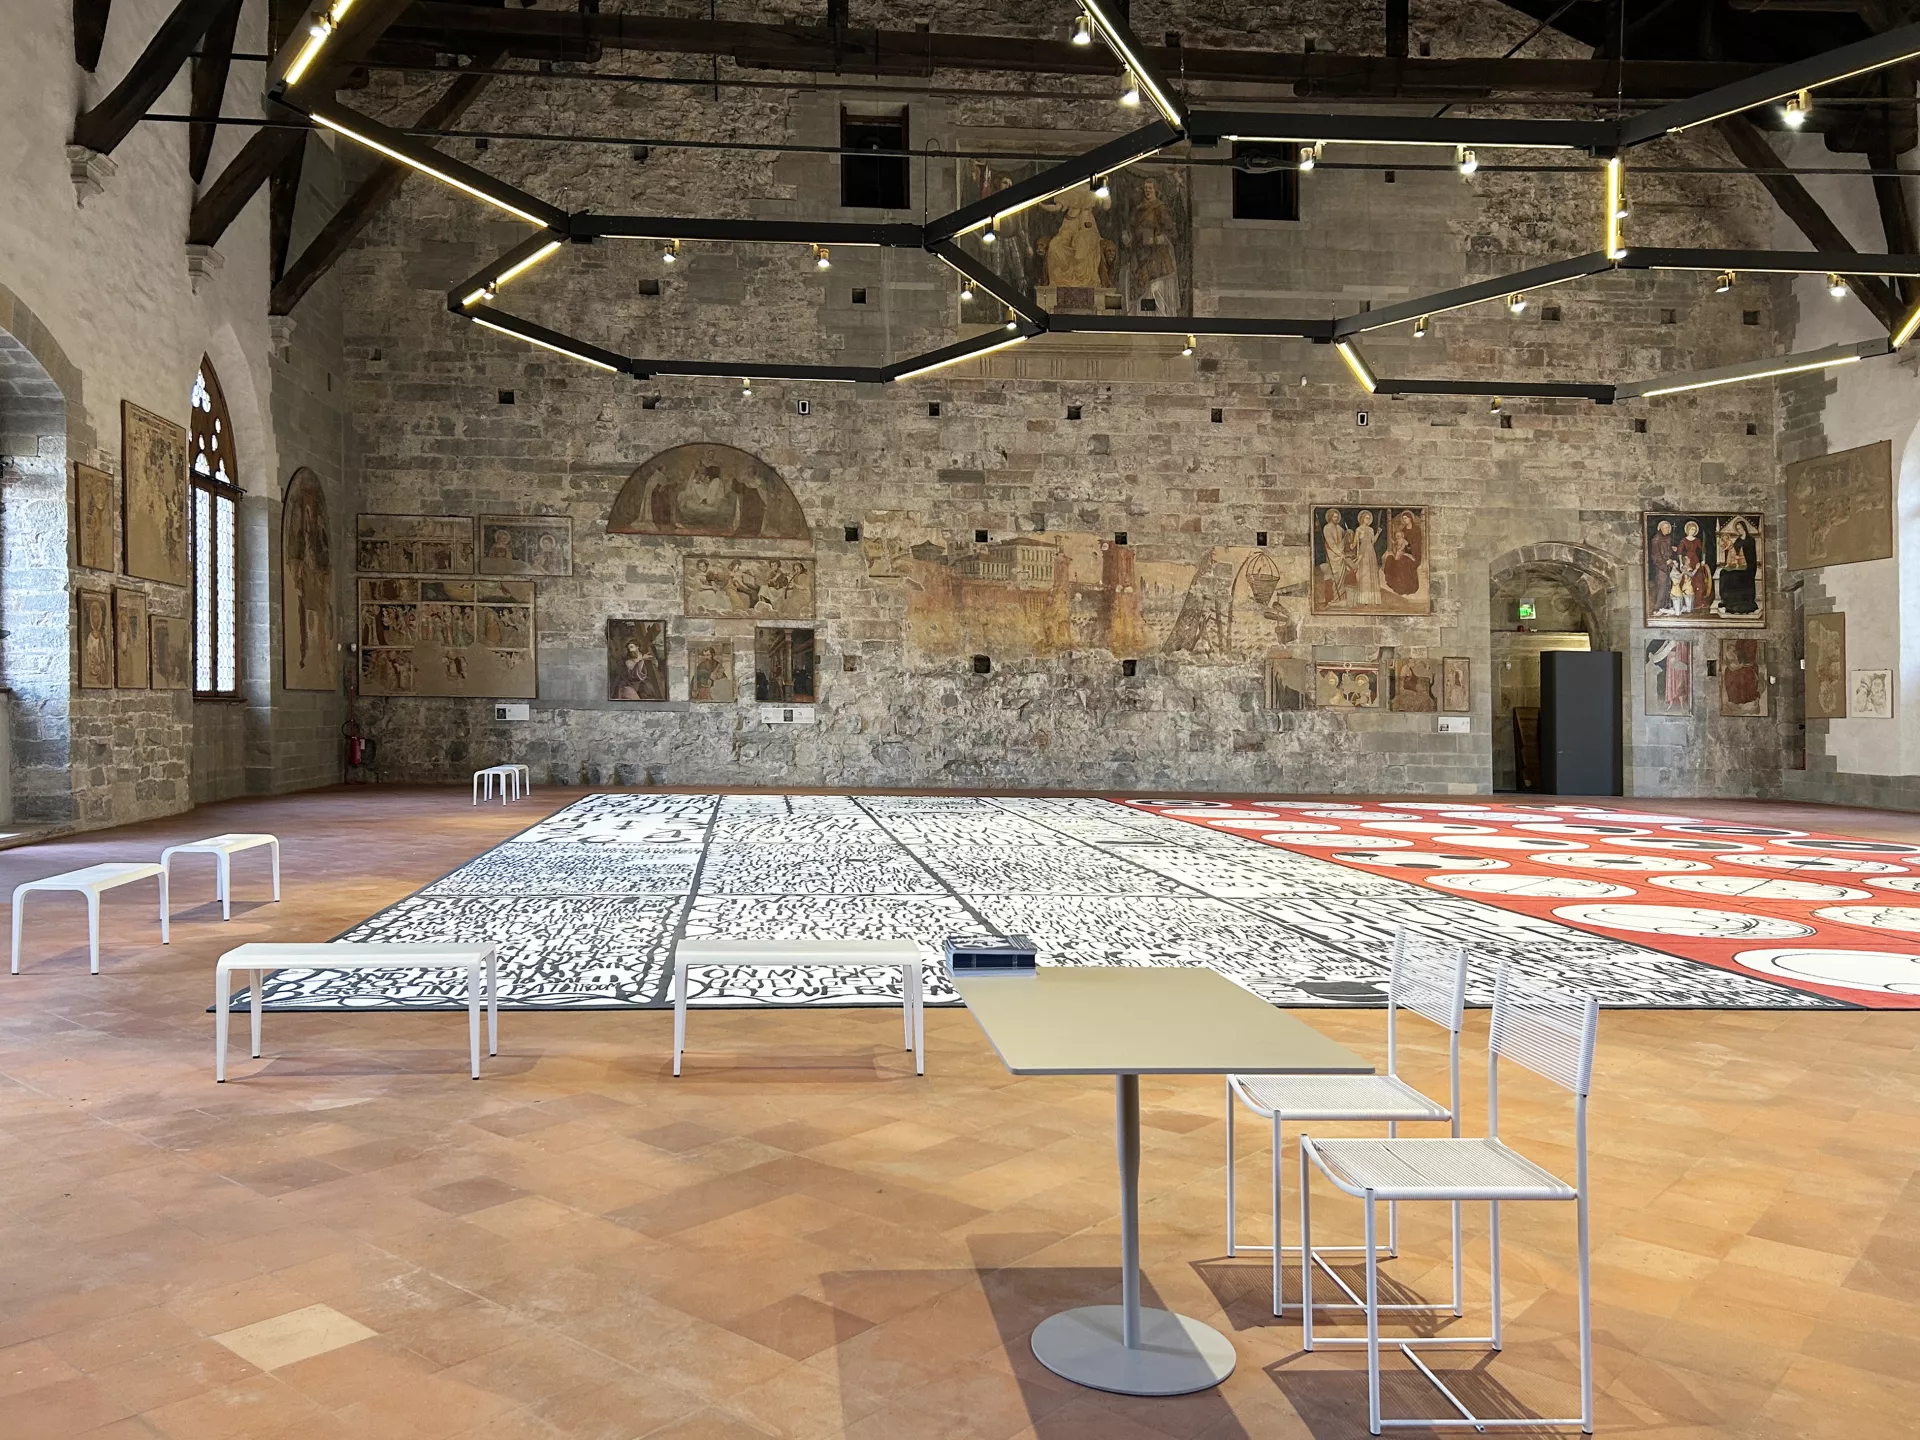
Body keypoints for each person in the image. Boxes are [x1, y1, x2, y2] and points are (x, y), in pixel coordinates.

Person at [1350, 509, 1382, 607]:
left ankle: (1374, 599)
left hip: (1371, 552)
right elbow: (1355, 542)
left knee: (1372, 573)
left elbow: (1373, 541)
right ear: (1362, 519)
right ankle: (1365, 600)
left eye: (1368, 518)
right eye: (1366, 518)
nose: (1367, 520)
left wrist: (1378, 533)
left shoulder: (1371, 530)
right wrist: (1351, 546)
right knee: (1364, 574)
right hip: (1363, 553)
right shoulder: (1358, 529)